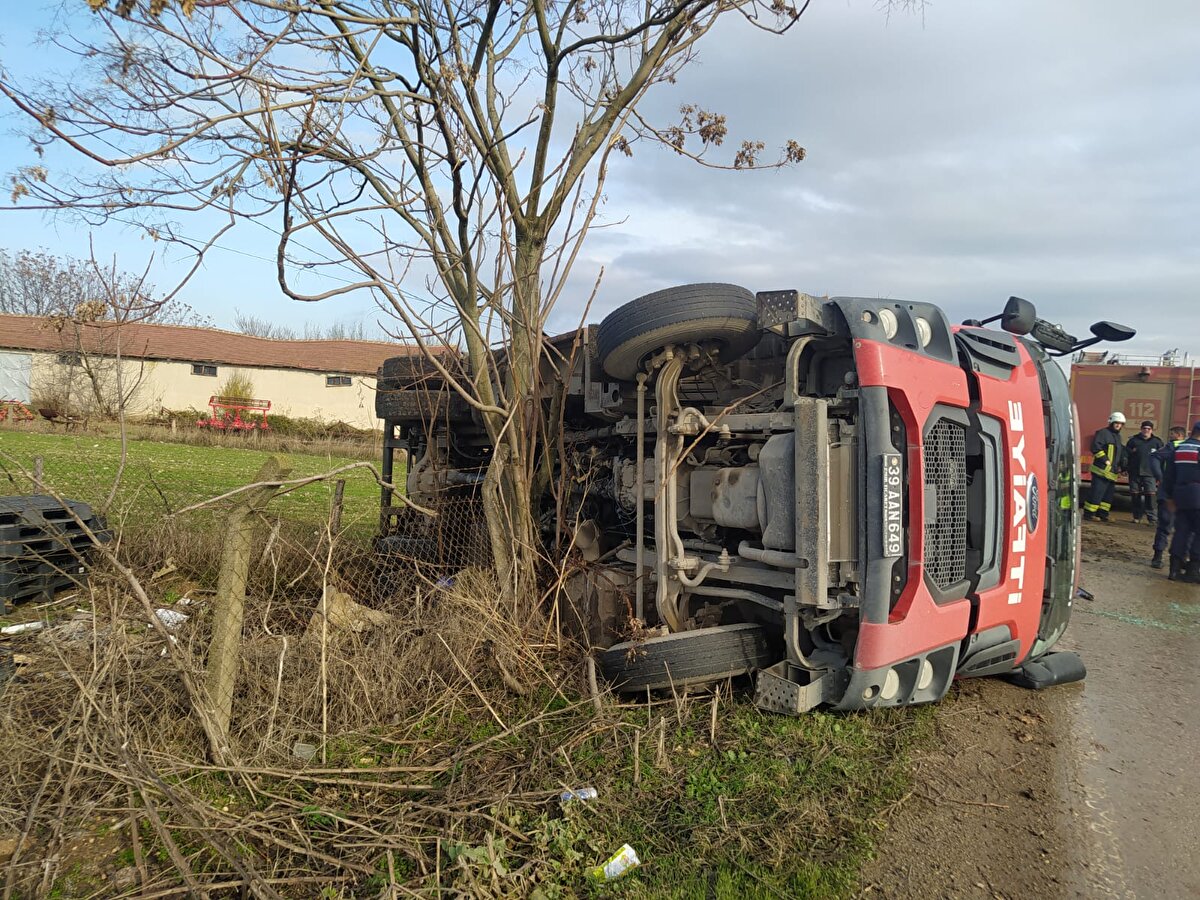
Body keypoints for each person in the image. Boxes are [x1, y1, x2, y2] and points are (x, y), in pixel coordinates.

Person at [1158, 420, 1200, 582]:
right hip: (1198, 494)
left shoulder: (1178, 448)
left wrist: (1168, 496)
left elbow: (1169, 475)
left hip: (1180, 495)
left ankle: (1174, 570)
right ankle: (1193, 570)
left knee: (1181, 531)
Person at [1150, 426, 1187, 568]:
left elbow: (1154, 458)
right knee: (1185, 528)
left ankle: (1157, 557)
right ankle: (1181, 560)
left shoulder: (1172, 447)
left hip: (1168, 492)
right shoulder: (1192, 448)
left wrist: (1160, 477)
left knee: (1164, 526)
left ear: (1178, 435)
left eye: (1172, 434)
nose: (1170, 436)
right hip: (1185, 494)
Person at [1083, 411, 1126, 522]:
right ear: (1111, 422)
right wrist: (1105, 460)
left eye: (1120, 424)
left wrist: (1122, 466)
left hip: (1112, 472)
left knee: (1107, 496)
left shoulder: (1117, 436)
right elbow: (1096, 447)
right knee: (1096, 493)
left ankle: (1103, 515)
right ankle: (1089, 514)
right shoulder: (1103, 433)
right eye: (1116, 423)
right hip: (1101, 470)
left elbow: (1119, 452)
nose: (1118, 425)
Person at [1125, 420, 1164, 524]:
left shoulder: (1157, 442)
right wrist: (1125, 468)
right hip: (1134, 473)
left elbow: (1162, 459)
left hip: (1150, 474)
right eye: (1144, 428)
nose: (1146, 430)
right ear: (1141, 429)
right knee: (1135, 496)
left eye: (1148, 429)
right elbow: (1126, 456)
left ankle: (1152, 519)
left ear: (1152, 430)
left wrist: (1159, 474)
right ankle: (1136, 517)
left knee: (1150, 497)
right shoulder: (1133, 441)